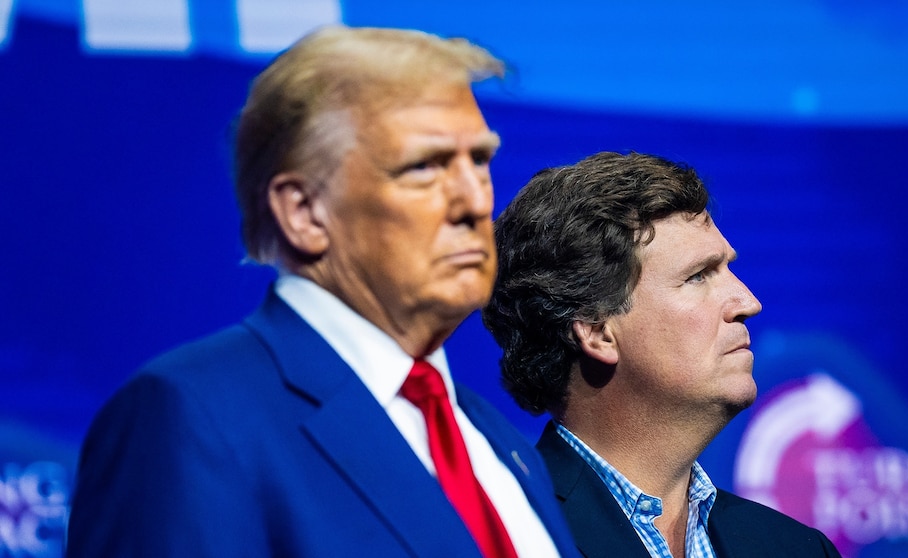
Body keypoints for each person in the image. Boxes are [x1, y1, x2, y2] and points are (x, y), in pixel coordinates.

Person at [66, 26, 579, 558]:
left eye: (480, 160)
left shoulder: (501, 444)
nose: (475, 201)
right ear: (304, 212)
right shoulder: (191, 418)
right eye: (424, 167)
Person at [483, 152, 842, 558]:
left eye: (728, 270)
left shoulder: (798, 549)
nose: (748, 302)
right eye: (698, 276)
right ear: (597, 330)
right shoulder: (506, 532)